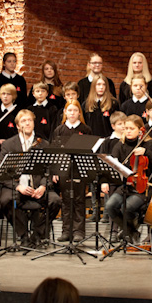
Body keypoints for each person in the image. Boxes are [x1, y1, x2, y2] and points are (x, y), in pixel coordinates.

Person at [0, 109, 61, 246]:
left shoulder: (43, 144)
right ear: (17, 125)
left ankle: (37, 234)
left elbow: (50, 169)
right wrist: (18, 186)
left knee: (55, 201)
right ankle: (23, 235)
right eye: (23, 121)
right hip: (16, 186)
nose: (27, 123)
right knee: (6, 200)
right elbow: (2, 173)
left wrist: (43, 186)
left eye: (30, 120)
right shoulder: (8, 145)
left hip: (38, 187)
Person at [104, 115, 152, 244]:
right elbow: (113, 162)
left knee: (127, 207)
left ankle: (131, 229)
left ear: (140, 130)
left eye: (131, 128)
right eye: (126, 128)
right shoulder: (120, 144)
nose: (128, 131)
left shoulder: (148, 144)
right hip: (127, 185)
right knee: (110, 206)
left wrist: (146, 152)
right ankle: (131, 230)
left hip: (144, 187)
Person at [51, 100, 92, 242]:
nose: (72, 113)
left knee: (79, 200)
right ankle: (66, 230)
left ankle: (79, 231)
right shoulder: (59, 130)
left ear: (79, 113)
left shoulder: (85, 129)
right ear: (65, 113)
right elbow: (55, 152)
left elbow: (89, 151)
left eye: (75, 110)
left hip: (79, 169)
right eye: (70, 110)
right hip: (63, 170)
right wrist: (55, 171)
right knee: (66, 200)